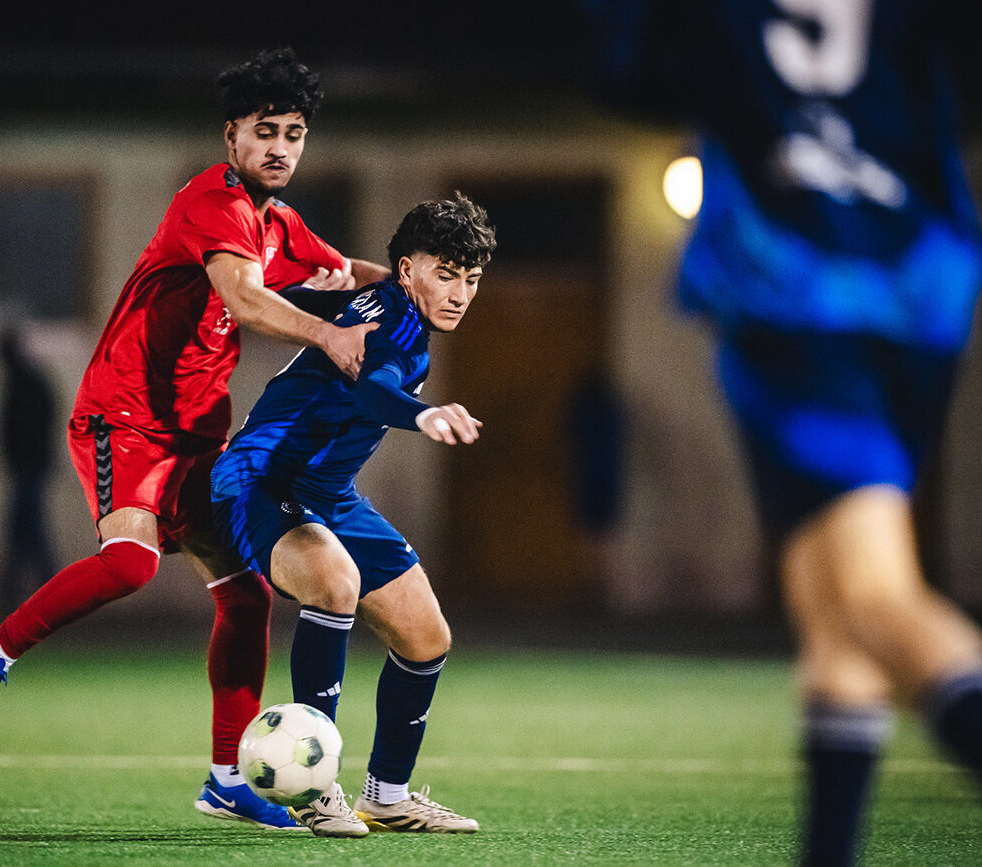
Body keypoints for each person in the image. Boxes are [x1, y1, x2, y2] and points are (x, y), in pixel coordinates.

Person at [0, 46, 388, 830]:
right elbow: (244, 299)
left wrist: (412, 288)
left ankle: (226, 779)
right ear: (231, 136)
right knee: (130, 563)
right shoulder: (212, 201)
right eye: (264, 131)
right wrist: (327, 334)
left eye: (293, 133)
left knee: (245, 595)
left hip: (194, 440)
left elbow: (343, 270)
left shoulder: (279, 224)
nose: (280, 147)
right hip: (125, 418)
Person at [578, 2, 982, 862]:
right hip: (920, 289)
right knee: (830, 604)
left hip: (798, 288)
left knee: (874, 595)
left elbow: (625, 75)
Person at [212, 194, 496, 836]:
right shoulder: (394, 323)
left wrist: (310, 283)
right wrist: (423, 413)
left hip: (328, 494)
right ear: (408, 270)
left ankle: (387, 797)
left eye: (471, 279)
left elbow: (310, 301)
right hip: (260, 480)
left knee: (426, 637)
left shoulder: (382, 303)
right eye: (446, 274)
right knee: (334, 582)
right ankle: (313, 791)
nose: (459, 294)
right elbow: (374, 387)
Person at [0, 327, 57, 604]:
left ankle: (38, 581)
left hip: (29, 465)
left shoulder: (23, 382)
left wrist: (21, 458)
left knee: (27, 523)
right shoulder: (28, 380)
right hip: (30, 464)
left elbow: (27, 426)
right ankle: (19, 581)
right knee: (25, 523)